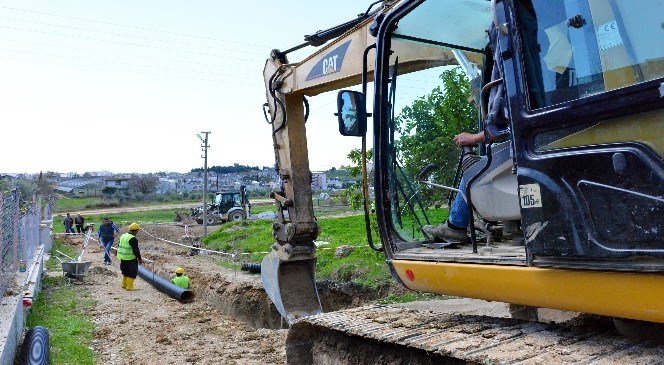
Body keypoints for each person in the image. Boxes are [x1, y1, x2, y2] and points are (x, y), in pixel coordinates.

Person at [423, 19, 511, 244]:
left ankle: (456, 225)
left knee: (473, 170)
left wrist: (472, 138)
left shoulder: (511, 81)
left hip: (517, 156)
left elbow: (506, 129)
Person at [117, 222, 143, 291]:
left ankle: (124, 284)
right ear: (136, 230)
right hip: (130, 258)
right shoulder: (133, 238)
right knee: (132, 272)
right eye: (137, 230)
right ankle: (129, 286)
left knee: (125, 271)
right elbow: (136, 250)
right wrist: (139, 258)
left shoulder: (123, 235)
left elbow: (119, 245)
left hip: (122, 257)